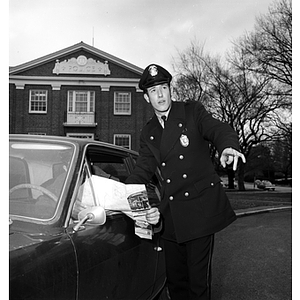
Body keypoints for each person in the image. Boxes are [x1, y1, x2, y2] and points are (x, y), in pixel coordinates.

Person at [125, 64, 246, 300]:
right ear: (147, 97)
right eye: (153, 91)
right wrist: (121, 190)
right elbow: (143, 168)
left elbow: (217, 128)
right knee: (176, 283)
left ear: (170, 89)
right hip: (170, 215)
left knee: (198, 285)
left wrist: (228, 146)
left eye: (163, 88)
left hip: (199, 211)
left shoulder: (191, 112)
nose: (160, 95)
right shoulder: (148, 131)